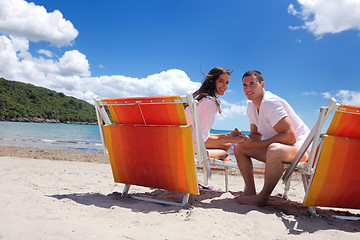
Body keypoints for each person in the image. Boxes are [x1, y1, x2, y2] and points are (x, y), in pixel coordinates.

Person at [234, 70, 310, 206]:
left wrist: (257, 145)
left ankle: (263, 196)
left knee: (274, 149)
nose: (248, 88)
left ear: (262, 84)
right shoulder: (251, 106)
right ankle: (250, 192)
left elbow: (290, 136)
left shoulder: (270, 103)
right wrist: (245, 139)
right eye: (244, 85)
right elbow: (256, 134)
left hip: (302, 148)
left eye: (252, 83)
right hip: (283, 148)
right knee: (239, 147)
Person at [185, 67, 247, 160]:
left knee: (227, 145)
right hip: (192, 147)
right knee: (225, 153)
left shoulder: (198, 97)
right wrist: (236, 140)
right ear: (212, 81)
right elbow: (201, 137)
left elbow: (198, 132)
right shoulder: (210, 102)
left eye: (227, 82)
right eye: (221, 81)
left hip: (183, 142)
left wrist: (227, 135)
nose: (225, 86)